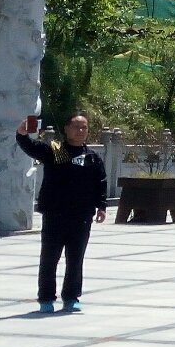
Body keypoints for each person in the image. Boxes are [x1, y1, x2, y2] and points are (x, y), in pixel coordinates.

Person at [16, 113, 108, 314]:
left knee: (75, 259)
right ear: (66, 129)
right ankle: (46, 298)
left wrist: (101, 206)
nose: (80, 131)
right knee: (49, 259)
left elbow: (100, 182)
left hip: (81, 216)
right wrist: (22, 135)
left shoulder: (91, 156)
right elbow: (33, 148)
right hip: (55, 213)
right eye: (76, 127)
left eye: (84, 127)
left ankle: (71, 297)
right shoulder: (58, 151)